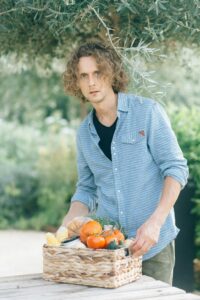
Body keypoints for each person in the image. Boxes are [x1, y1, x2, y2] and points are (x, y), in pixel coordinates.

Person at [61, 41, 189, 284]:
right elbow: (87, 188)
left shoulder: (147, 112)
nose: (91, 82)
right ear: (76, 82)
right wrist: (67, 226)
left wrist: (155, 222)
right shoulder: (84, 134)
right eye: (84, 76)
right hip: (108, 250)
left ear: (111, 73)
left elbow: (176, 168)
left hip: (154, 247)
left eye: (98, 73)